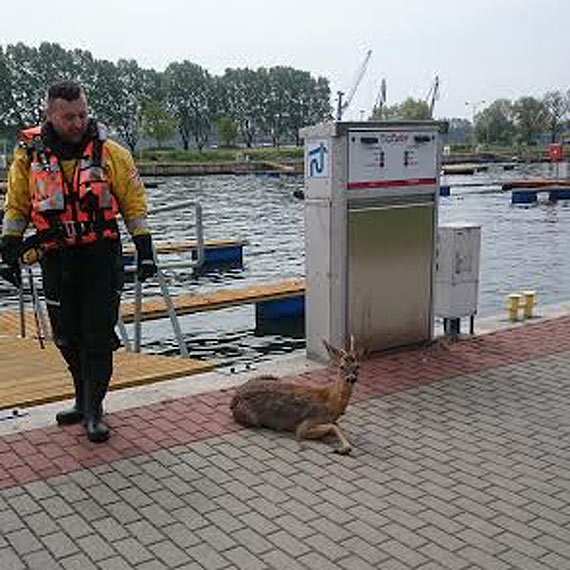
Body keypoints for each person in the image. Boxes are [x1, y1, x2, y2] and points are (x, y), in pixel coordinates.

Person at [0, 80, 157, 443]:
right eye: (68, 116)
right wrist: (9, 251)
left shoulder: (111, 153)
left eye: (82, 114)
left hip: (100, 258)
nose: (77, 122)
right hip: (56, 259)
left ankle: (95, 410)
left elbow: (133, 203)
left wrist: (145, 250)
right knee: (66, 336)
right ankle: (81, 398)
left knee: (97, 337)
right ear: (49, 116)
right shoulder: (28, 156)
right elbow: (17, 206)